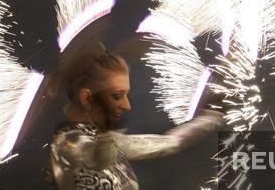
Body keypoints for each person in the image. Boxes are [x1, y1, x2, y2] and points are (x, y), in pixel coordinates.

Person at [48, 46, 223, 189]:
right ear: (86, 98)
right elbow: (92, 153)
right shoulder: (67, 145)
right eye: (117, 96)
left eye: (126, 95)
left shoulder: (104, 142)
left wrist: (212, 116)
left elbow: (172, 142)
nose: (127, 105)